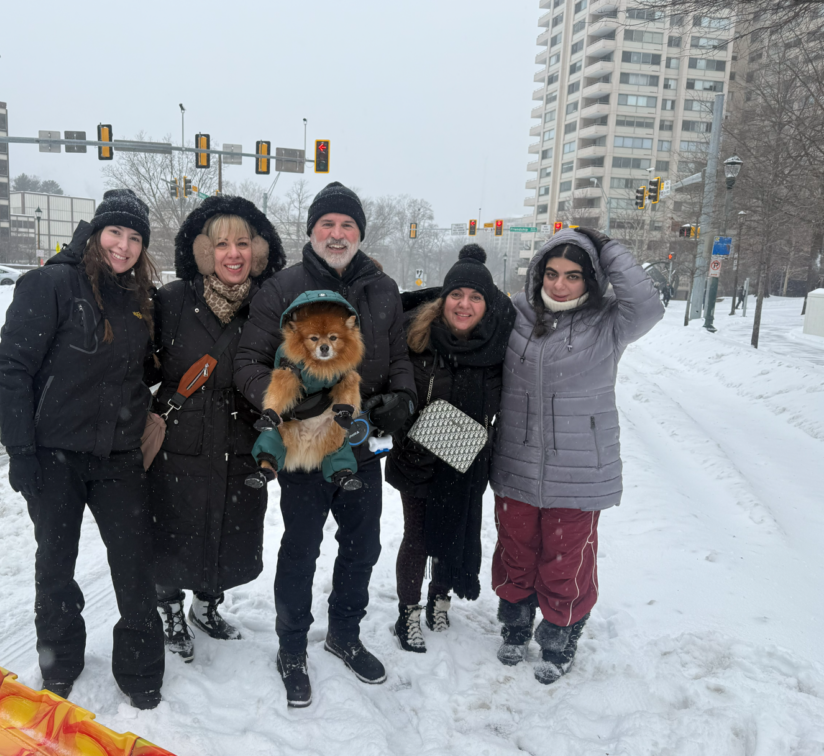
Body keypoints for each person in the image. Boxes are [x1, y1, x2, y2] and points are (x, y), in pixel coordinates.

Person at [234, 182, 416, 707]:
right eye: (328, 224)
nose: (337, 234)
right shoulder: (283, 288)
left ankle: (344, 633)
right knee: (301, 549)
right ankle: (292, 647)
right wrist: (289, 402)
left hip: (360, 445)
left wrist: (402, 397)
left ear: (360, 233)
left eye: (347, 225)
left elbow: (399, 356)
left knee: (363, 547)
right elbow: (247, 361)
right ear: (312, 230)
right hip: (305, 448)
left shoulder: (383, 289)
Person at [0, 189, 165, 710]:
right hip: (55, 457)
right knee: (55, 567)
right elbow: (11, 369)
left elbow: (143, 370)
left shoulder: (142, 300)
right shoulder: (50, 285)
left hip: (118, 456)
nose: (123, 246)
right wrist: (21, 450)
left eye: (134, 238)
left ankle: (141, 672)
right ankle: (60, 664)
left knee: (135, 566)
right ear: (95, 233)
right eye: (115, 233)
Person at [489, 227, 664, 685]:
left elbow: (648, 307)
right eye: (551, 273)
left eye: (572, 275)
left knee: (566, 559)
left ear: (590, 279)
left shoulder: (608, 322)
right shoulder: (518, 314)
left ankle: (560, 636)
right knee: (515, 551)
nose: (560, 285)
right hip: (517, 462)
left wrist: (606, 248)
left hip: (580, 468)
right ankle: (515, 625)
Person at [147, 195, 286, 662]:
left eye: (243, 243)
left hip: (240, 441)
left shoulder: (269, 305)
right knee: (171, 531)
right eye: (221, 244)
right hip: (179, 445)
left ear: (258, 251)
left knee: (228, 529)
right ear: (205, 251)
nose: (233, 254)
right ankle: (169, 609)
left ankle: (207, 606)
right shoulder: (172, 300)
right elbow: (137, 365)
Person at [385, 245, 515, 653]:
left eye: (475, 297)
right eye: (456, 294)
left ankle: (439, 599)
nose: (464, 304)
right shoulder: (416, 335)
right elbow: (395, 390)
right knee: (417, 537)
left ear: (488, 303)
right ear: (444, 297)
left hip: (466, 459)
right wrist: (405, 431)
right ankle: (407, 612)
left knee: (454, 530)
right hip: (416, 454)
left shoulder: (500, 346)